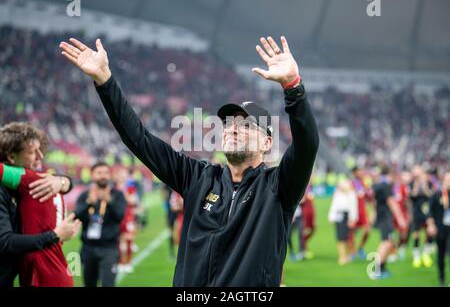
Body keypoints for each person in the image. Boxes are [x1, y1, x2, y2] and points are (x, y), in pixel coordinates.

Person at [59, 35, 319, 286]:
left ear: (267, 142)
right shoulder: (198, 177)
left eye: (247, 125)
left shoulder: (279, 186)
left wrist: (293, 88)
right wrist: (105, 81)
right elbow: (139, 139)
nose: (233, 129)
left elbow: (307, 146)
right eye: (228, 124)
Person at [0, 122, 80, 287]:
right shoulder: (36, 181)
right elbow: (5, 242)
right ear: (11, 157)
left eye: (40, 150)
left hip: (40, 273)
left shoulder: (38, 182)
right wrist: (54, 235)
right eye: (32, 152)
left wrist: (63, 181)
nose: (41, 157)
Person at [75, 162, 127, 287]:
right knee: (89, 284)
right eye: (99, 173)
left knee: (108, 284)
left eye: (106, 173)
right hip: (88, 248)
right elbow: (77, 216)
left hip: (109, 248)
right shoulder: (85, 195)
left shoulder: (117, 194)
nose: (103, 176)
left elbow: (120, 216)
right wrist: (89, 202)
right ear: (92, 176)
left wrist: (110, 201)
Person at [371, 166, 407, 279]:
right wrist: (401, 219)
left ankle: (382, 268)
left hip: (381, 216)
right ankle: (376, 269)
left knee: (389, 242)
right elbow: (392, 203)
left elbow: (374, 202)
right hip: (386, 217)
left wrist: (374, 215)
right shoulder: (386, 186)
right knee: (386, 242)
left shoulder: (377, 185)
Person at [114, 166, 139, 274]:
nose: (122, 176)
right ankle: (120, 263)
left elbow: (133, 200)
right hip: (117, 216)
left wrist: (124, 195)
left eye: (124, 174)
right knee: (119, 240)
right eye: (120, 174)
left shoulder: (129, 187)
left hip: (128, 216)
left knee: (129, 239)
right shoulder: (113, 188)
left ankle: (128, 263)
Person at [427, 172, 450, 286]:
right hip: (440, 229)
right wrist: (431, 225)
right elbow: (430, 211)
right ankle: (442, 278)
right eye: (448, 180)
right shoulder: (437, 194)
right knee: (441, 255)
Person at [328, 178, 358, 265]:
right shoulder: (337, 194)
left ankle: (348, 255)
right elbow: (334, 206)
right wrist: (331, 216)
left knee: (346, 237)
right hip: (338, 216)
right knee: (340, 237)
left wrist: (352, 218)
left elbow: (353, 207)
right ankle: (342, 256)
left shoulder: (351, 194)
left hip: (346, 216)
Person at [410, 165, 434, 268]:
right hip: (416, 211)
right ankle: (416, 256)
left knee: (429, 232)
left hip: (427, 211)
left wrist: (424, 188)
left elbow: (432, 195)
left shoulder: (429, 183)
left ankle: (425, 254)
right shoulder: (412, 184)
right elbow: (412, 196)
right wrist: (416, 187)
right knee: (416, 234)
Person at [348, 166, 372, 260]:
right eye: (359, 171)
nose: (361, 173)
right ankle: (352, 252)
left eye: (362, 171)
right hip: (353, 212)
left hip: (363, 212)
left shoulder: (364, 183)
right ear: (354, 173)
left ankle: (361, 248)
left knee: (367, 231)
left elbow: (369, 198)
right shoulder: (351, 183)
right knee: (351, 233)